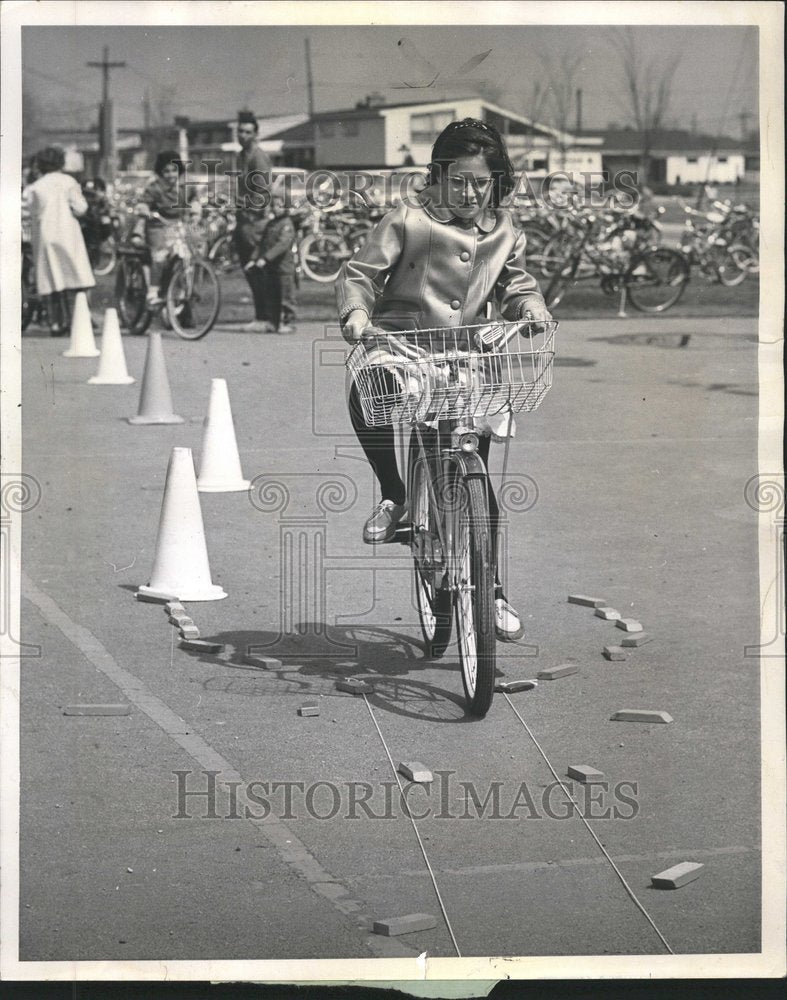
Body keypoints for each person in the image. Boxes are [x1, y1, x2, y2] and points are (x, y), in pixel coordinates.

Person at [336, 118, 552, 642]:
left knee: (475, 472)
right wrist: (358, 318)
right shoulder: (408, 219)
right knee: (368, 390)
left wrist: (530, 307)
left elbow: (514, 282)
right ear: (437, 176)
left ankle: (493, 589)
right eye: (459, 180)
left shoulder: (505, 229)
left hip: (468, 357)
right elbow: (361, 274)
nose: (471, 193)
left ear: (496, 183)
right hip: (404, 346)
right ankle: (396, 496)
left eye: (482, 182)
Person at [23, 145, 95, 335]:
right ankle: (78, 318)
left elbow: (28, 209)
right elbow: (80, 207)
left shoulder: (36, 187)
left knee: (52, 277)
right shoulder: (68, 181)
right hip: (68, 232)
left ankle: (56, 321)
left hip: (46, 234)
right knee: (74, 276)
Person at [130, 150, 195, 307]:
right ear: (160, 172)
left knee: (187, 256)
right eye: (166, 171)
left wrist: (195, 213)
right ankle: (153, 291)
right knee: (159, 256)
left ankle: (183, 290)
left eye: (174, 170)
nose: (171, 175)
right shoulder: (155, 188)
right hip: (158, 225)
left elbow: (194, 201)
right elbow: (143, 203)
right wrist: (145, 210)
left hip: (178, 226)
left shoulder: (186, 187)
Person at [233, 110, 274, 331]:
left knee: (257, 270)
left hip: (255, 223)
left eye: (248, 132)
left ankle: (264, 318)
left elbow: (263, 193)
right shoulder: (241, 156)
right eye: (240, 131)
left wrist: (245, 205)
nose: (243, 135)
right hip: (243, 221)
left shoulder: (258, 157)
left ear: (256, 134)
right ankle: (261, 316)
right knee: (249, 269)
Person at [243, 195, 297, 333]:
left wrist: (266, 258)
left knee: (286, 297)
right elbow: (262, 244)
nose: (275, 209)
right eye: (273, 206)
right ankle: (273, 322)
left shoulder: (286, 224)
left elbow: (282, 245)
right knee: (272, 296)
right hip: (271, 269)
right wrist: (253, 259)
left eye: (279, 205)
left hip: (284, 268)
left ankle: (289, 323)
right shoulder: (271, 224)